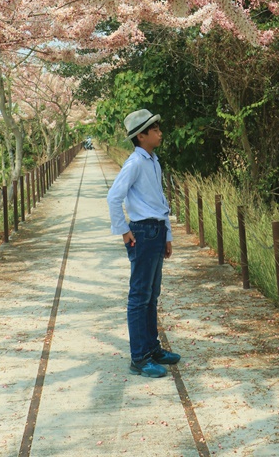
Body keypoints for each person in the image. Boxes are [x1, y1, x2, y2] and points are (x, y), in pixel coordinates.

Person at [106, 108, 181, 378]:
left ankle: (152, 348)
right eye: (155, 130)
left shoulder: (153, 161)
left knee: (152, 295)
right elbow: (114, 197)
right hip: (143, 231)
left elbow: (160, 201)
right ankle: (139, 357)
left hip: (156, 231)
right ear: (141, 136)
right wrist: (125, 231)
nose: (160, 134)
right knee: (139, 296)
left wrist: (168, 235)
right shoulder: (135, 163)